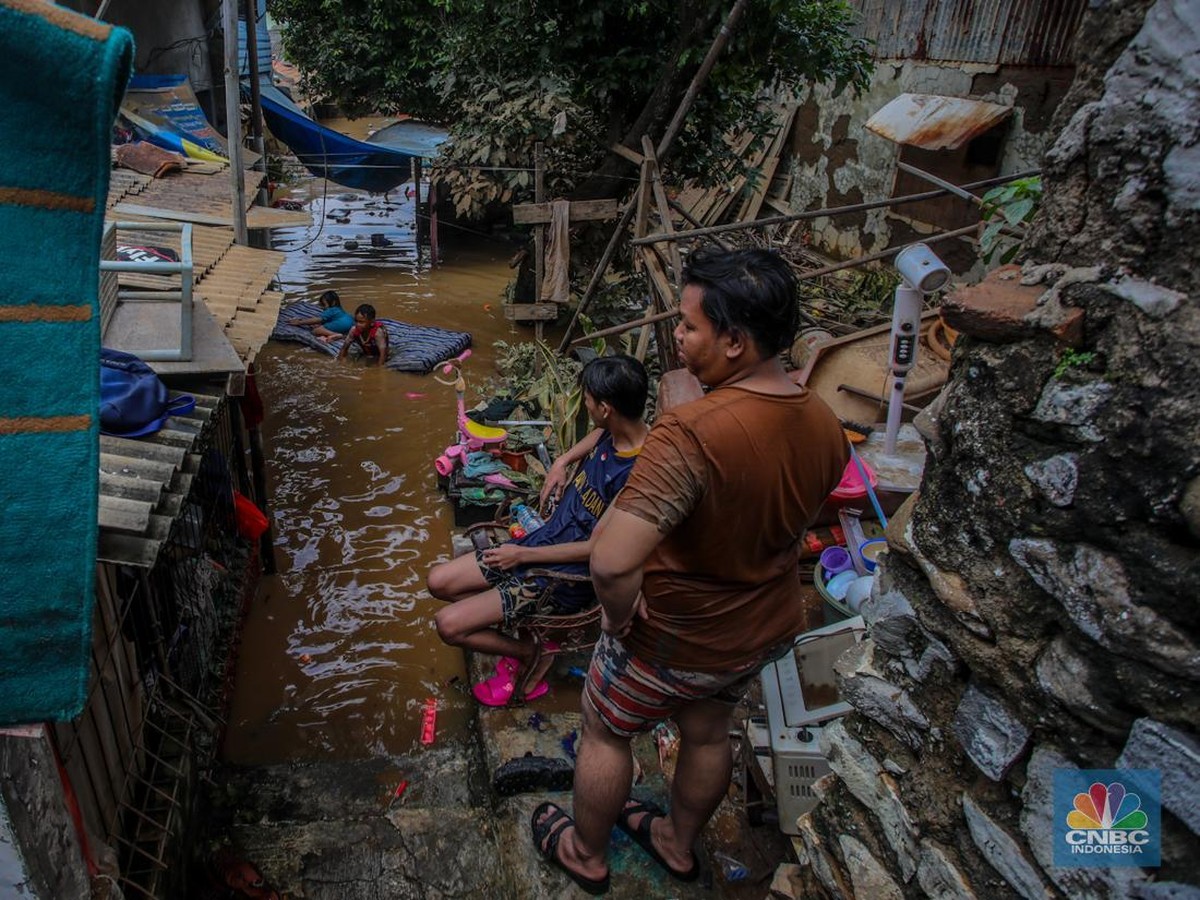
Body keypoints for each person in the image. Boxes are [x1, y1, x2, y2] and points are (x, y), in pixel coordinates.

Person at [528, 249, 850, 894]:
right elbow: (801, 518)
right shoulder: (824, 422)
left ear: (734, 342)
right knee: (707, 732)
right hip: (759, 628)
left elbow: (611, 560)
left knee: (604, 731)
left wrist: (618, 616)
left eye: (689, 325)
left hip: (675, 635)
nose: (676, 335)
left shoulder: (690, 431)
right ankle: (676, 842)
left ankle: (586, 854)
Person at [427, 355, 650, 707]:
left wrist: (520, 554)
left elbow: (595, 549)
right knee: (438, 581)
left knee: (448, 625)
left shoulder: (638, 476)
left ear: (606, 409)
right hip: (542, 540)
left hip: (560, 575)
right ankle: (516, 624)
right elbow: (599, 434)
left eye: (588, 399)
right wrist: (561, 461)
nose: (584, 404)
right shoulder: (617, 429)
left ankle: (528, 650)